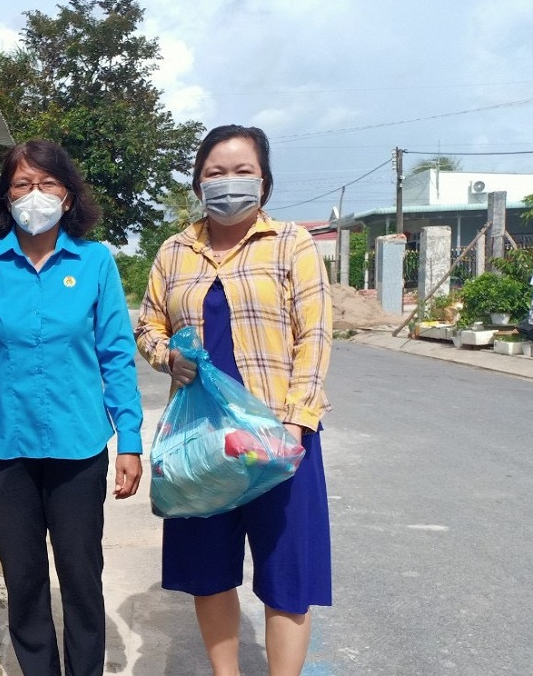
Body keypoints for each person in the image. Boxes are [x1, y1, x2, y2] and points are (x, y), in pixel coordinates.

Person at [135, 124, 333, 676]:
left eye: (243, 170)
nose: (229, 182)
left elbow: (314, 337)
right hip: (201, 443)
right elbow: (148, 325)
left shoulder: (291, 244)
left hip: (279, 435)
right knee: (208, 571)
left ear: (264, 180)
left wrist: (297, 423)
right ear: (199, 183)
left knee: (287, 576)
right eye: (215, 172)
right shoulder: (175, 251)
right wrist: (166, 356)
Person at [0, 139, 144, 676]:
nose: (36, 194)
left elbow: (116, 356)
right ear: (5, 198)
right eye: (22, 184)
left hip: (79, 448)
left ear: (68, 196)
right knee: (24, 579)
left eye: (48, 183)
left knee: (81, 575)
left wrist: (130, 440)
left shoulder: (95, 262)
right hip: (5, 449)